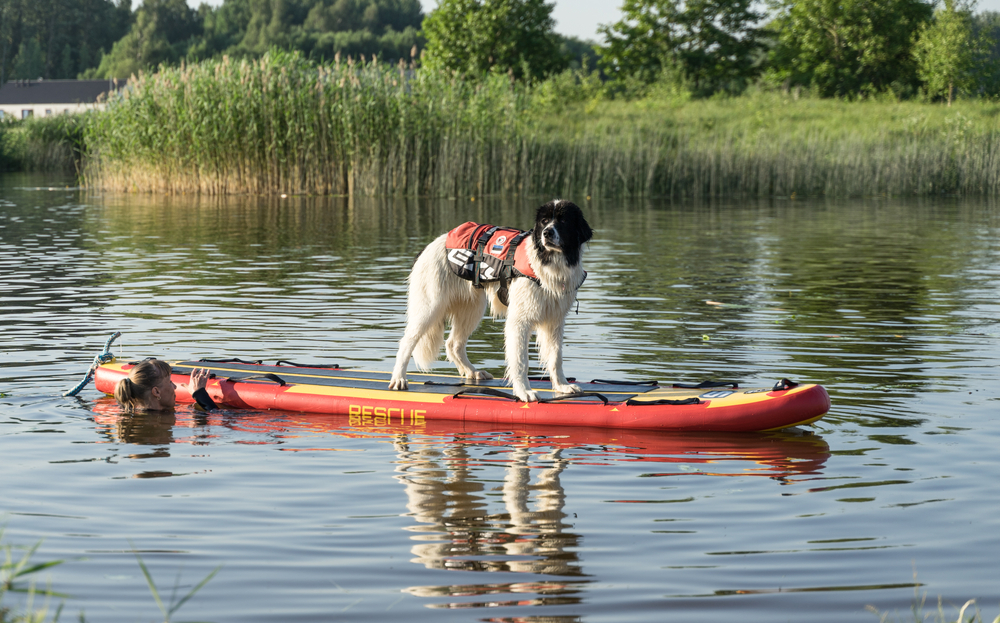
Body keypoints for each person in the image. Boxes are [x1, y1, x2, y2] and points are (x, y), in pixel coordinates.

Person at [114, 358, 218, 412]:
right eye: (170, 382)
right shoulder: (163, 420)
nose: (175, 387)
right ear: (156, 392)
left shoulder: (131, 412)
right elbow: (217, 418)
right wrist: (200, 395)